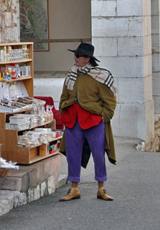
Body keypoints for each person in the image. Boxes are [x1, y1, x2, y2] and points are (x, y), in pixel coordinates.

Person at [58, 42, 117, 202]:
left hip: (93, 121)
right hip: (73, 121)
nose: (75, 58)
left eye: (78, 56)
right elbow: (64, 96)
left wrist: (104, 117)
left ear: (87, 59)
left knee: (99, 154)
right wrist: (63, 110)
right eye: (75, 55)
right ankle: (74, 188)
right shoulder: (71, 74)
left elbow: (110, 101)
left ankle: (101, 188)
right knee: (72, 155)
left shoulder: (100, 76)